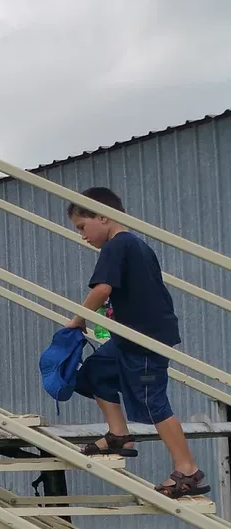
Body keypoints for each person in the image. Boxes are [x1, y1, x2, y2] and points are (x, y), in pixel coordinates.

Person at [65, 186, 207, 498]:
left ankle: (187, 470)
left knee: (150, 398)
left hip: (144, 339)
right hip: (127, 338)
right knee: (93, 373)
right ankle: (119, 435)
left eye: (82, 227)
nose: (82, 236)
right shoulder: (134, 246)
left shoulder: (118, 245)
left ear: (103, 216)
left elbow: (102, 289)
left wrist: (78, 318)